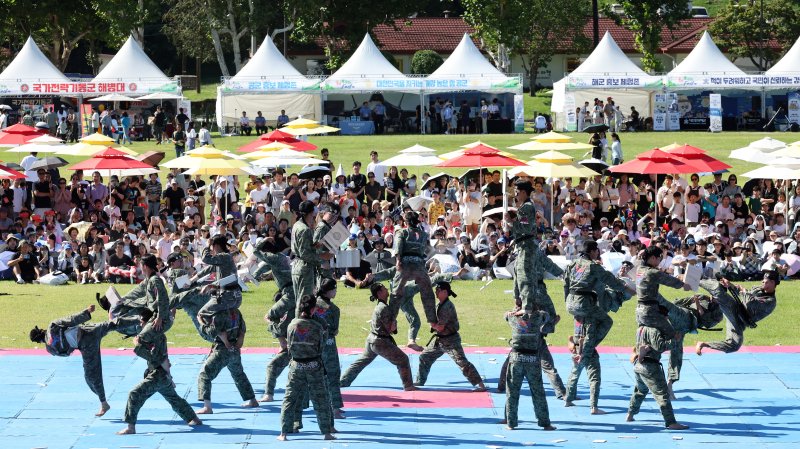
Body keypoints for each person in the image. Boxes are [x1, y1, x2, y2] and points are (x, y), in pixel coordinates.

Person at [563, 240, 629, 414]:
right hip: (585, 305)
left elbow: (565, 284)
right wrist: (625, 287)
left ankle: (568, 397)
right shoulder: (592, 266)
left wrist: (568, 303)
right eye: (597, 251)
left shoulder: (573, 264)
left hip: (572, 304)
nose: (598, 254)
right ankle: (594, 406)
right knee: (607, 322)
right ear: (592, 251)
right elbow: (609, 280)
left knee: (579, 359)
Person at [117, 309, 202, 435]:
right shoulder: (155, 333)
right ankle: (193, 419)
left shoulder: (155, 335)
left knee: (134, 394)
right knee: (173, 398)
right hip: (161, 374)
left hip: (158, 374)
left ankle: (130, 427)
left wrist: (138, 346)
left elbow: (155, 357)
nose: (140, 324)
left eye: (141, 322)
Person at [29, 304, 115, 417]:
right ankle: (135, 319)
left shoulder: (51, 349)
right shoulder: (52, 326)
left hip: (85, 346)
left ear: (38, 341)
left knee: (91, 376)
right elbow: (71, 320)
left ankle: (103, 403)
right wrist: (87, 312)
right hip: (88, 330)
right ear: (41, 330)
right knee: (112, 325)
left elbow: (67, 353)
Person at [504, 180, 562, 330]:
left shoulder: (527, 207)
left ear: (524, 192)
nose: (515, 194)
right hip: (523, 245)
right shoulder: (525, 207)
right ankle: (523, 305)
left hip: (527, 246)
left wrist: (510, 222)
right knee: (519, 274)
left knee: (525, 276)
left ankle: (527, 307)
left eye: (517, 191)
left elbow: (526, 227)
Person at [340, 283, 418, 391]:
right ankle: (408, 386)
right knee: (403, 360)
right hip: (380, 342)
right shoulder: (383, 308)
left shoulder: (382, 306)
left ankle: (343, 381)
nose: (387, 289)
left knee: (361, 362)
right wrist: (394, 324)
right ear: (379, 293)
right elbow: (390, 329)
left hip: (372, 339)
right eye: (384, 288)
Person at [278, 294, 335, 441]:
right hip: (313, 365)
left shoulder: (291, 325)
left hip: (296, 365)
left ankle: (284, 433)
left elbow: (289, 345)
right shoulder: (317, 326)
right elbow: (321, 347)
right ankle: (326, 432)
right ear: (313, 309)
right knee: (320, 399)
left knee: (290, 398)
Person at [415, 281, 486, 391]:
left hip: (451, 340)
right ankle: (420, 380)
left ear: (444, 292)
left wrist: (433, 325)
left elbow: (440, 327)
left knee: (462, 362)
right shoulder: (440, 304)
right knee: (425, 356)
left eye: (438, 290)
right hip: (440, 340)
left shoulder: (447, 307)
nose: (436, 292)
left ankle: (480, 385)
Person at [626, 317, 690, 430]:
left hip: (638, 366)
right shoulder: (654, 330)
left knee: (640, 390)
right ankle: (671, 422)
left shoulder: (640, 329)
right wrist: (674, 340)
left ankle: (630, 414)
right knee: (662, 394)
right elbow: (659, 346)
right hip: (650, 367)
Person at [500, 306, 556, 431]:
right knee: (538, 392)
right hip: (532, 359)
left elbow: (506, 315)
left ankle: (511, 423)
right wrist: (532, 310)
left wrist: (516, 311)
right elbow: (546, 315)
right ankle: (545, 423)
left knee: (512, 391)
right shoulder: (538, 317)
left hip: (516, 358)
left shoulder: (513, 318)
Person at [695, 271, 779, 355]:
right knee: (719, 292)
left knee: (734, 345)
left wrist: (744, 292)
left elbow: (751, 303)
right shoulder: (758, 289)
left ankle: (703, 344)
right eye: (763, 280)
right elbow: (741, 292)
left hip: (740, 322)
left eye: (765, 281)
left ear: (772, 283)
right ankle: (697, 279)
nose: (762, 282)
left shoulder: (770, 302)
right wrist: (730, 285)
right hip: (735, 309)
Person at [196, 308, 258, 414]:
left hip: (222, 349)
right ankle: (252, 400)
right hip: (235, 348)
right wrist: (237, 345)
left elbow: (213, 332)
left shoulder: (219, 313)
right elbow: (242, 331)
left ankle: (207, 407)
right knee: (238, 374)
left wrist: (201, 323)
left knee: (204, 375)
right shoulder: (236, 312)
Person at [390, 210, 437, 326]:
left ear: (406, 222)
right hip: (419, 264)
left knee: (396, 292)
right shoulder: (424, 234)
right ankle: (433, 321)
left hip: (405, 264)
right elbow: (428, 249)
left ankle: (390, 320)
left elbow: (398, 247)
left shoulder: (401, 232)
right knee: (427, 292)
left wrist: (398, 261)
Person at [635, 245, 692, 339]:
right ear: (653, 258)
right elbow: (669, 280)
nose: (660, 261)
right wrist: (683, 285)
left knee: (644, 339)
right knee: (673, 336)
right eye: (659, 258)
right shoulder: (652, 272)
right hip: (650, 312)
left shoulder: (639, 269)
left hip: (639, 311)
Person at [312, 278, 345, 418]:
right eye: (334, 289)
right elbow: (334, 330)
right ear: (328, 291)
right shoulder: (333, 309)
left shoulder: (311, 303)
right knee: (333, 374)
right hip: (328, 344)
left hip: (312, 344)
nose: (336, 291)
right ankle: (335, 408)